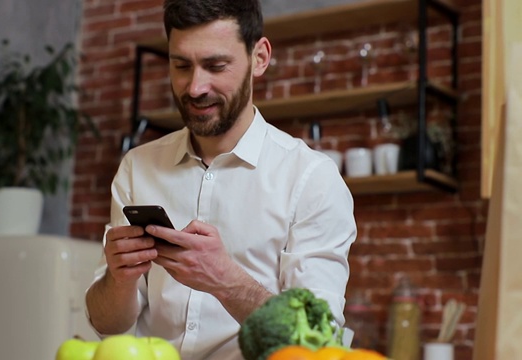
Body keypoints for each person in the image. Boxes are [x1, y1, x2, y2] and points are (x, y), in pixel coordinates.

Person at [85, 0, 357, 358]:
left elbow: (321, 342)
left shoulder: (312, 180)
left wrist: (227, 281)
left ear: (259, 57)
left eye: (216, 66)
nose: (195, 87)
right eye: (181, 66)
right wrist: (118, 278)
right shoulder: (137, 167)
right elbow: (108, 324)